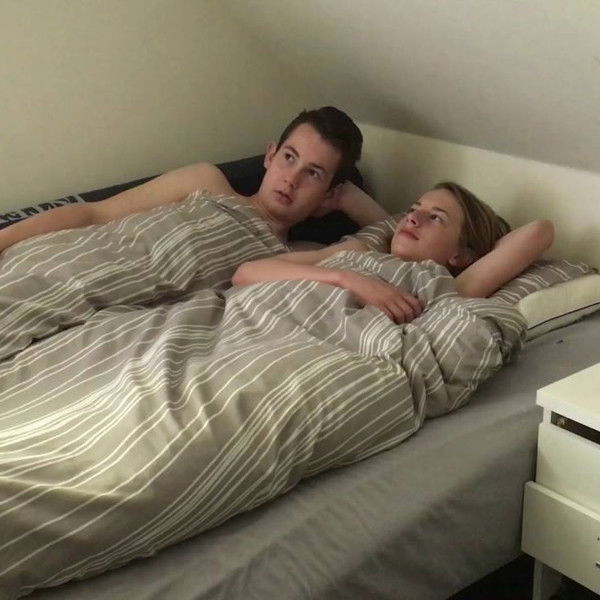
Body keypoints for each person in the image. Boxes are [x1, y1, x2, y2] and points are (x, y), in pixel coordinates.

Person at [0, 106, 389, 254]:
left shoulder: (293, 255)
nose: (292, 178)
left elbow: (394, 241)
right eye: (289, 158)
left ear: (328, 194)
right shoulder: (206, 182)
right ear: (270, 155)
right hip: (72, 258)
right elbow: (94, 215)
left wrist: (348, 197)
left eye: (313, 174)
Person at [232, 181, 555, 323]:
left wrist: (480, 246)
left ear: (461, 255)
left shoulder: (446, 288)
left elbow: (540, 231)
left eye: (435, 218)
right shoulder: (357, 252)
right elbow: (247, 273)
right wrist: (347, 279)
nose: (412, 218)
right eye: (414, 210)